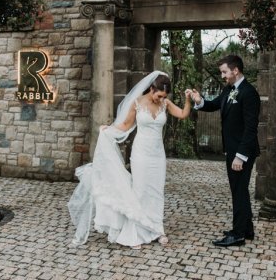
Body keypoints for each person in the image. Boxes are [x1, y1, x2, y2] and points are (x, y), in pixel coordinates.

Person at [68, 71, 192, 250]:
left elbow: (182, 114)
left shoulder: (165, 104)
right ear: (151, 89)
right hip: (141, 153)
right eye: (159, 95)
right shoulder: (137, 103)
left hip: (158, 155)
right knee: (140, 191)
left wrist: (188, 99)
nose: (160, 99)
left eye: (164, 96)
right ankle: (136, 232)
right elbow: (125, 125)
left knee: (157, 192)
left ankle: (157, 229)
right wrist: (108, 129)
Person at [191, 55, 260, 247]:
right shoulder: (229, 89)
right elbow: (214, 105)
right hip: (232, 150)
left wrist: (240, 156)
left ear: (235, 70)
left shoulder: (249, 93)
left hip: (242, 152)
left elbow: (251, 128)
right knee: (240, 191)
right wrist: (199, 100)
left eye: (224, 72)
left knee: (238, 191)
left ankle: (238, 235)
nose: (223, 76)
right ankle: (246, 229)